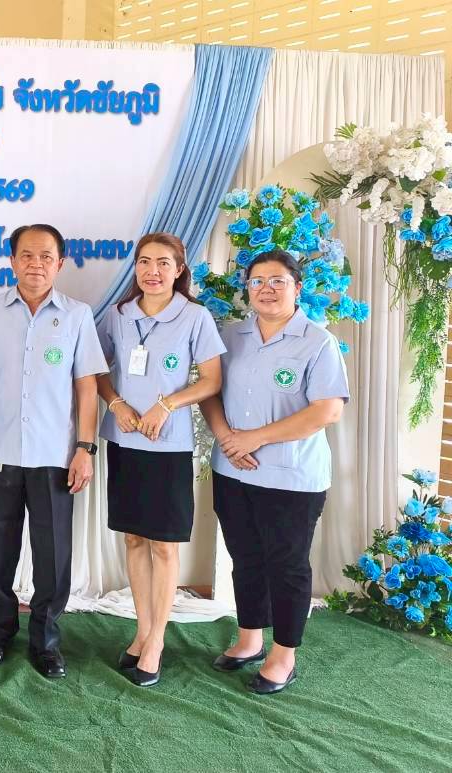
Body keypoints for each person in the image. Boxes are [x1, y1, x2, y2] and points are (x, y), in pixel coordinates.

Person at [0, 223, 106, 678]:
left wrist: (85, 448)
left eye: (46, 257)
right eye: (27, 256)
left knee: (53, 554)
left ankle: (46, 641)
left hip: (55, 454)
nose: (36, 265)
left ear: (60, 263)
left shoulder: (77, 316)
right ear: (12, 261)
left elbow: (87, 387)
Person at [200, 249, 348, 695]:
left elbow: (326, 411)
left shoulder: (317, 342)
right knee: (244, 557)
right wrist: (227, 438)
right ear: (247, 288)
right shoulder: (231, 335)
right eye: (257, 281)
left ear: (297, 288)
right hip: (233, 471)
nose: (266, 289)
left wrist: (255, 438)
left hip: (291, 478)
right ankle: (248, 640)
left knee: (286, 565)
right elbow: (209, 392)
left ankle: (284, 655)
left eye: (277, 281)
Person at [94, 233, 224, 687]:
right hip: (125, 441)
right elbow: (96, 371)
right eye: (145, 262)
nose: (153, 271)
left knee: (164, 545)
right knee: (133, 539)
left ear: (179, 270)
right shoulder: (118, 315)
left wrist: (166, 405)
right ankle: (142, 631)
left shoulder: (195, 316)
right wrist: (115, 404)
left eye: (163, 263)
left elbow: (211, 380)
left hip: (168, 446)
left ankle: (157, 642)